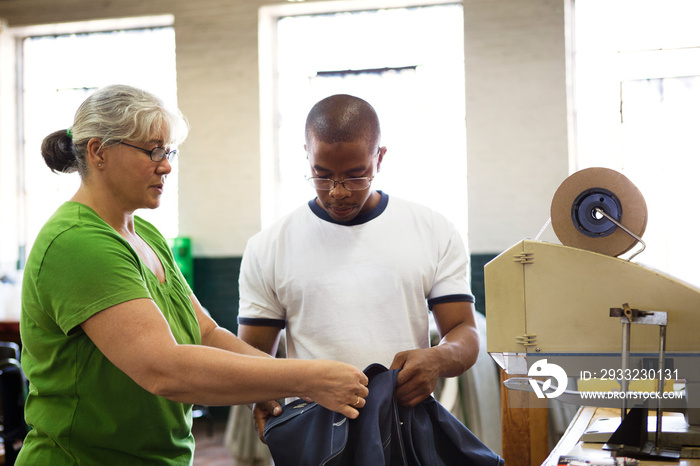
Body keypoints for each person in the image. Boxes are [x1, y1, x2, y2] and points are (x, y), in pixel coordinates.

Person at [16, 84, 368, 465]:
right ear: (98, 151)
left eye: (168, 152)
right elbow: (163, 370)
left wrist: (267, 385)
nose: (165, 165)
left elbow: (206, 334)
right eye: (153, 150)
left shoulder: (144, 234)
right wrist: (305, 378)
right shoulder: (78, 242)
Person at [237, 94, 480, 438]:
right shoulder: (269, 246)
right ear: (306, 156)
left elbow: (465, 333)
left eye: (356, 176)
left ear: (379, 158)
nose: (338, 192)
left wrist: (438, 359)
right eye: (322, 176)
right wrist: (261, 396)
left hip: (403, 429)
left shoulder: (433, 230)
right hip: (315, 435)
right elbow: (253, 355)